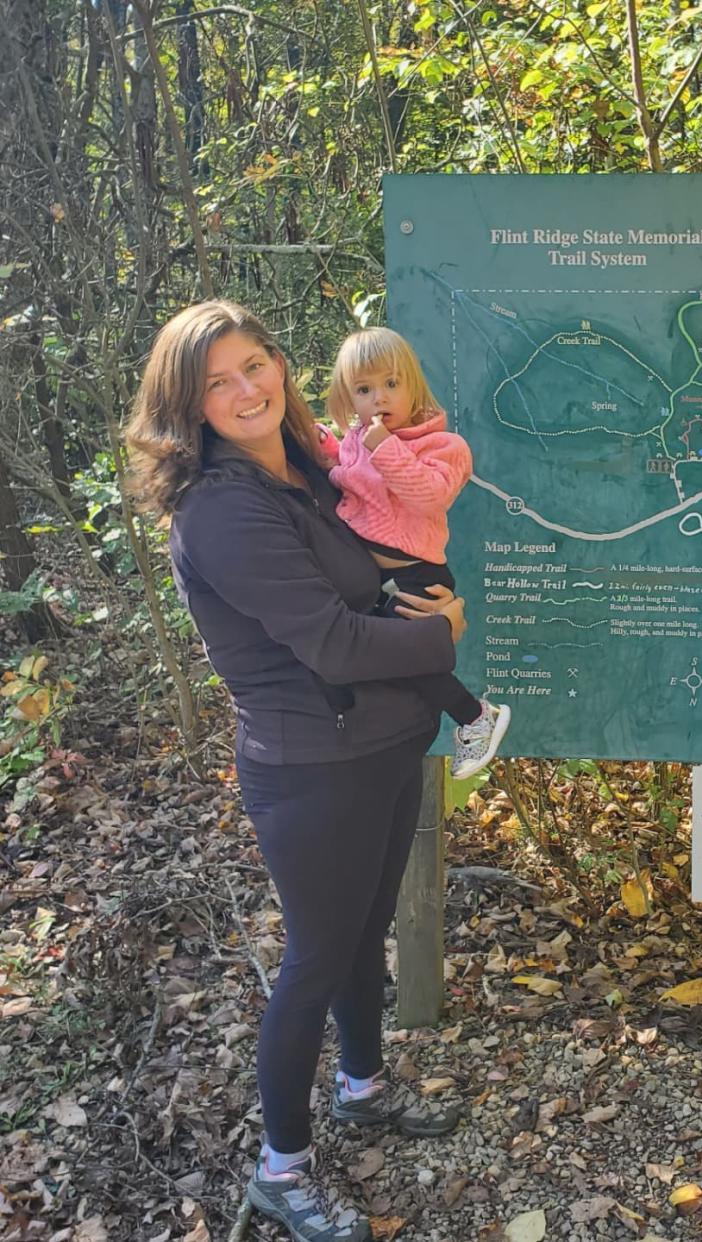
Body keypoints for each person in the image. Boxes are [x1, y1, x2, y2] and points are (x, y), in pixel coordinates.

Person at [126, 302, 468, 1242]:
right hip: (312, 764)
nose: (246, 391)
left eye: (255, 365)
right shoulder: (223, 508)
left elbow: (364, 578)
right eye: (218, 383)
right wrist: (442, 632)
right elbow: (328, 641)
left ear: (280, 363)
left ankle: (362, 1089)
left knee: (363, 935)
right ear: (188, 406)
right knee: (318, 958)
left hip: (385, 739)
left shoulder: (307, 464)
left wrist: (410, 608)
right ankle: (281, 1167)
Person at [321, 327, 510, 779]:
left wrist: (384, 447)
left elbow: (427, 497)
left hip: (418, 577)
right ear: (348, 399)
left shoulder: (443, 447)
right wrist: (327, 449)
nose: (379, 398)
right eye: (364, 390)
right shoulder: (357, 443)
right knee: (378, 662)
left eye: (391, 384)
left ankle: (475, 717)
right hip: (376, 582)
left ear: (413, 386)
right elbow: (347, 480)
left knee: (394, 658)